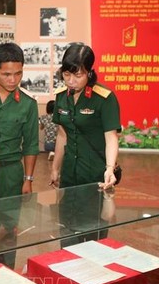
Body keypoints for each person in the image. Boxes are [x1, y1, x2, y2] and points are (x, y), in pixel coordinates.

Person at [0, 42, 39, 269]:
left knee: (9, 232)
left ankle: (4, 276)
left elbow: (31, 144)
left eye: (18, 74)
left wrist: (28, 179)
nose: (13, 80)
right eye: (7, 74)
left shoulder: (28, 104)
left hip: (11, 173)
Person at [50, 42, 120, 190]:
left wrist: (109, 168)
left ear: (89, 72)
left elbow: (111, 137)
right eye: (66, 74)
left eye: (78, 75)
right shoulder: (61, 96)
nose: (70, 81)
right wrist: (55, 168)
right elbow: (62, 135)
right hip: (69, 172)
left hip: (95, 173)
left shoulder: (104, 98)